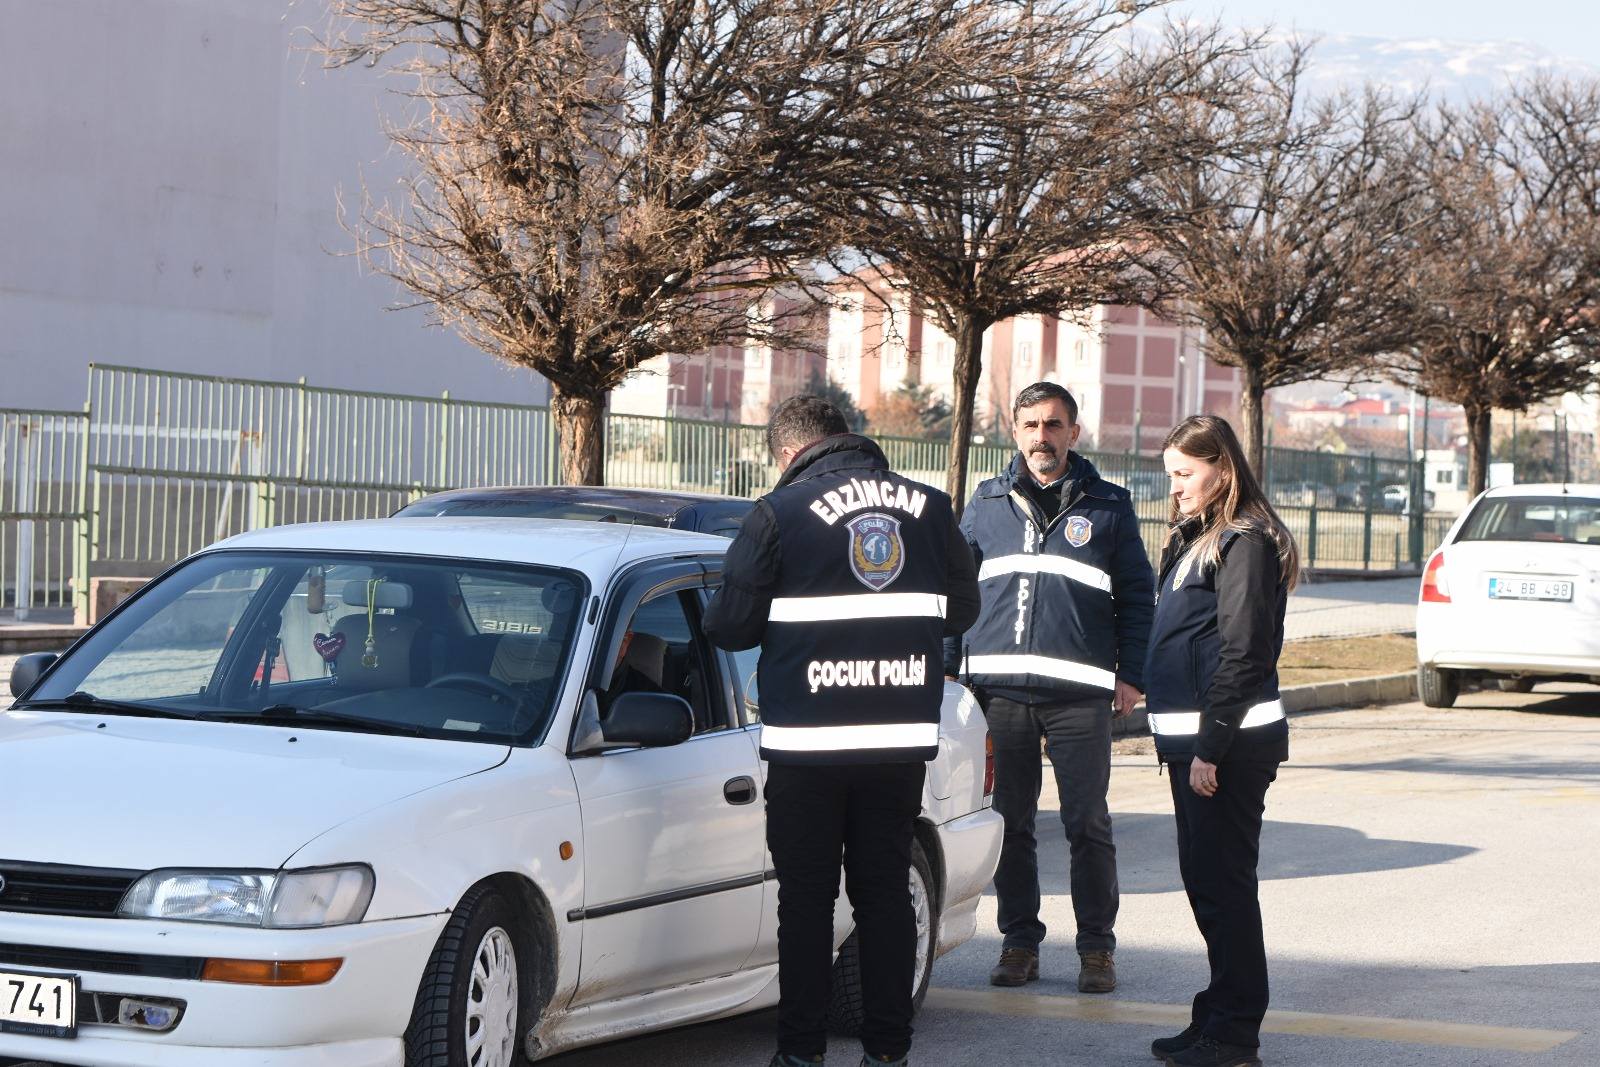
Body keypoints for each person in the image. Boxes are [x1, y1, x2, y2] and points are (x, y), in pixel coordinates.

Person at [703, 395, 980, 1067]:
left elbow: (726, 627)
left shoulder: (779, 513)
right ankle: (887, 1054)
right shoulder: (930, 507)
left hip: (807, 747)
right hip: (895, 743)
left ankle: (800, 1055)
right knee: (884, 896)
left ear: (790, 453)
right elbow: (963, 608)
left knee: (805, 904)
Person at [943, 381, 1154, 993]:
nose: (1043, 437)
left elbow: (1138, 597)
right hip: (999, 692)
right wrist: (951, 666)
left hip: (1079, 696)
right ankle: (1019, 943)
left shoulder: (1108, 507)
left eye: (1055, 425)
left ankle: (1096, 950)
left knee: (1088, 822)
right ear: (1015, 432)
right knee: (1012, 823)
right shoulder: (985, 504)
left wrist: (1132, 674)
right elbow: (957, 597)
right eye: (1032, 425)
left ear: (1074, 433)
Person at [1143, 415, 1298, 1067]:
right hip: (1196, 747)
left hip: (1226, 752)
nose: (1174, 486)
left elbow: (1244, 653)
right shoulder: (1203, 536)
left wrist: (1211, 746)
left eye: (1184, 473)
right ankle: (1218, 1011)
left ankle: (1235, 1033)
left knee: (1223, 885)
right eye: (1171, 474)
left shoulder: (1246, 543)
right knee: (1206, 882)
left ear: (1222, 469)